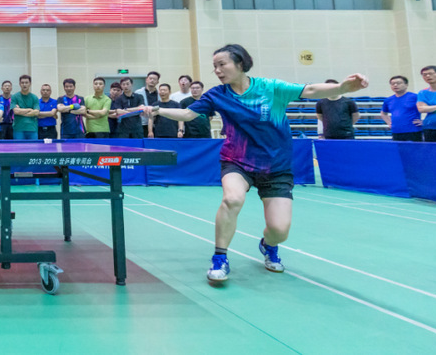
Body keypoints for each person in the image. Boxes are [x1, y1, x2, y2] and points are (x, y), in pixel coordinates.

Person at [145, 43, 368, 283]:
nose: (217, 70)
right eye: (214, 66)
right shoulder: (217, 94)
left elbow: (310, 89)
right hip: (237, 161)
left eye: (222, 64)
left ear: (240, 64)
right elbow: (188, 114)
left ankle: (269, 245)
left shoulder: (270, 88)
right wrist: (157, 110)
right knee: (232, 199)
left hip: (276, 166)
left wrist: (342, 87)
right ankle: (220, 257)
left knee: (279, 230)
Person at [380, 75, 422, 142]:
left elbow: (428, 108)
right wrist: (389, 123)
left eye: (398, 83)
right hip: (396, 131)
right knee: (399, 148)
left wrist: (424, 122)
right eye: (393, 84)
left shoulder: (415, 97)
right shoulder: (388, 100)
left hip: (413, 130)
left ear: (406, 85)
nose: (395, 85)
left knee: (415, 148)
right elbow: (383, 113)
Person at [10, 74, 39, 140]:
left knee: (33, 147)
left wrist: (21, 111)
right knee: (19, 147)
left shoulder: (34, 97)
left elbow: (36, 112)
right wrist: (30, 109)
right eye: (22, 83)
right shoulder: (15, 97)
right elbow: (16, 111)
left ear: (30, 84)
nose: (24, 84)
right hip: (18, 128)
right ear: (19, 84)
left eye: (26, 82)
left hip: (32, 128)